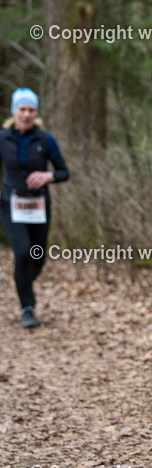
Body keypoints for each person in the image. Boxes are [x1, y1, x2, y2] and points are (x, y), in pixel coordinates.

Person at [0, 88, 70, 327]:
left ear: (36, 112)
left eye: (31, 110)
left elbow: (64, 172)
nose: (27, 114)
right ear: (14, 111)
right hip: (11, 203)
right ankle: (27, 308)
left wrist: (47, 175)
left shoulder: (45, 139)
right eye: (22, 109)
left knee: (37, 257)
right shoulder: (2, 139)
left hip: (39, 205)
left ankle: (23, 283)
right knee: (22, 251)